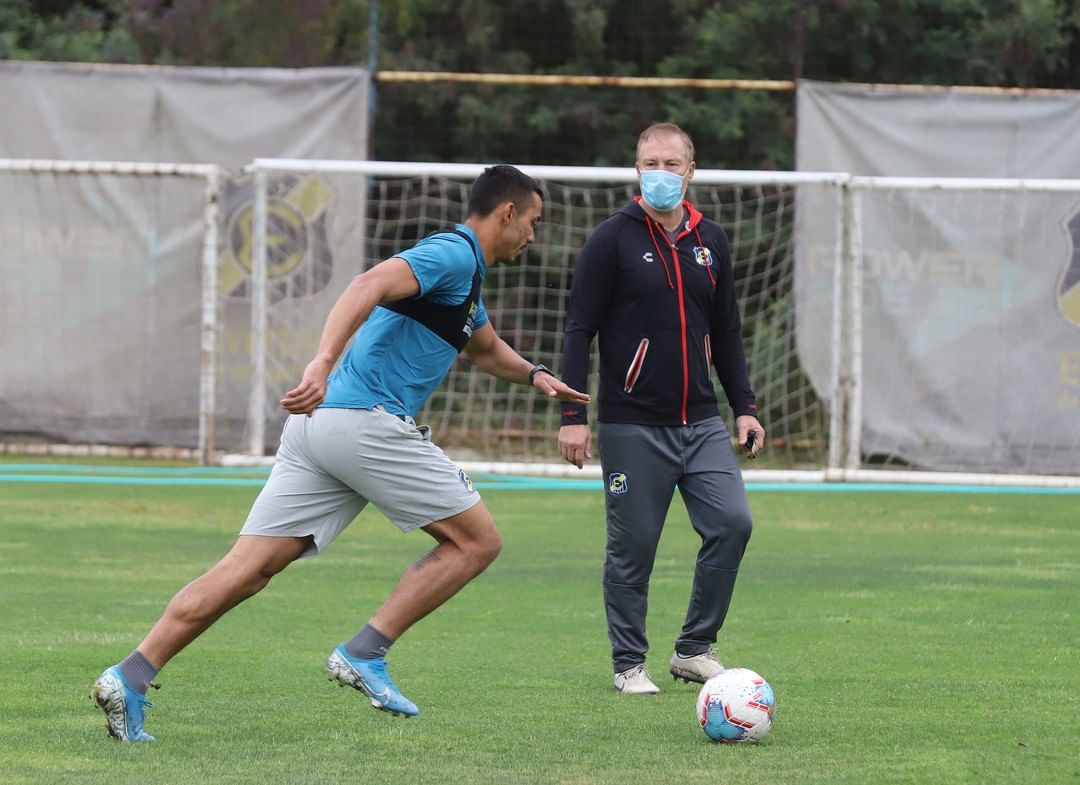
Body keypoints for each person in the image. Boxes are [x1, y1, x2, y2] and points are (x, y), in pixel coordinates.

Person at [91, 164, 589, 740]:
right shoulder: (451, 256)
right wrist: (321, 364)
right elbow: (364, 285)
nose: (533, 235)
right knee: (478, 542)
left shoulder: (465, 280)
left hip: (319, 430)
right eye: (532, 222)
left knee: (247, 571)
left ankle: (128, 676)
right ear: (507, 213)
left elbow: (485, 349)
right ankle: (365, 652)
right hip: (362, 423)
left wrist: (536, 377)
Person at [557, 123, 765, 695]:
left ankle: (694, 649)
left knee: (732, 524)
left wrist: (743, 408)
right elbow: (579, 330)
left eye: (672, 164)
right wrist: (574, 415)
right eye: (651, 162)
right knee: (633, 549)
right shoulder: (611, 239)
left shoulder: (711, 241)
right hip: (631, 426)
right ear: (637, 169)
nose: (661, 173)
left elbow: (726, 333)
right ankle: (629, 664)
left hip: (701, 423)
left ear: (690, 171)